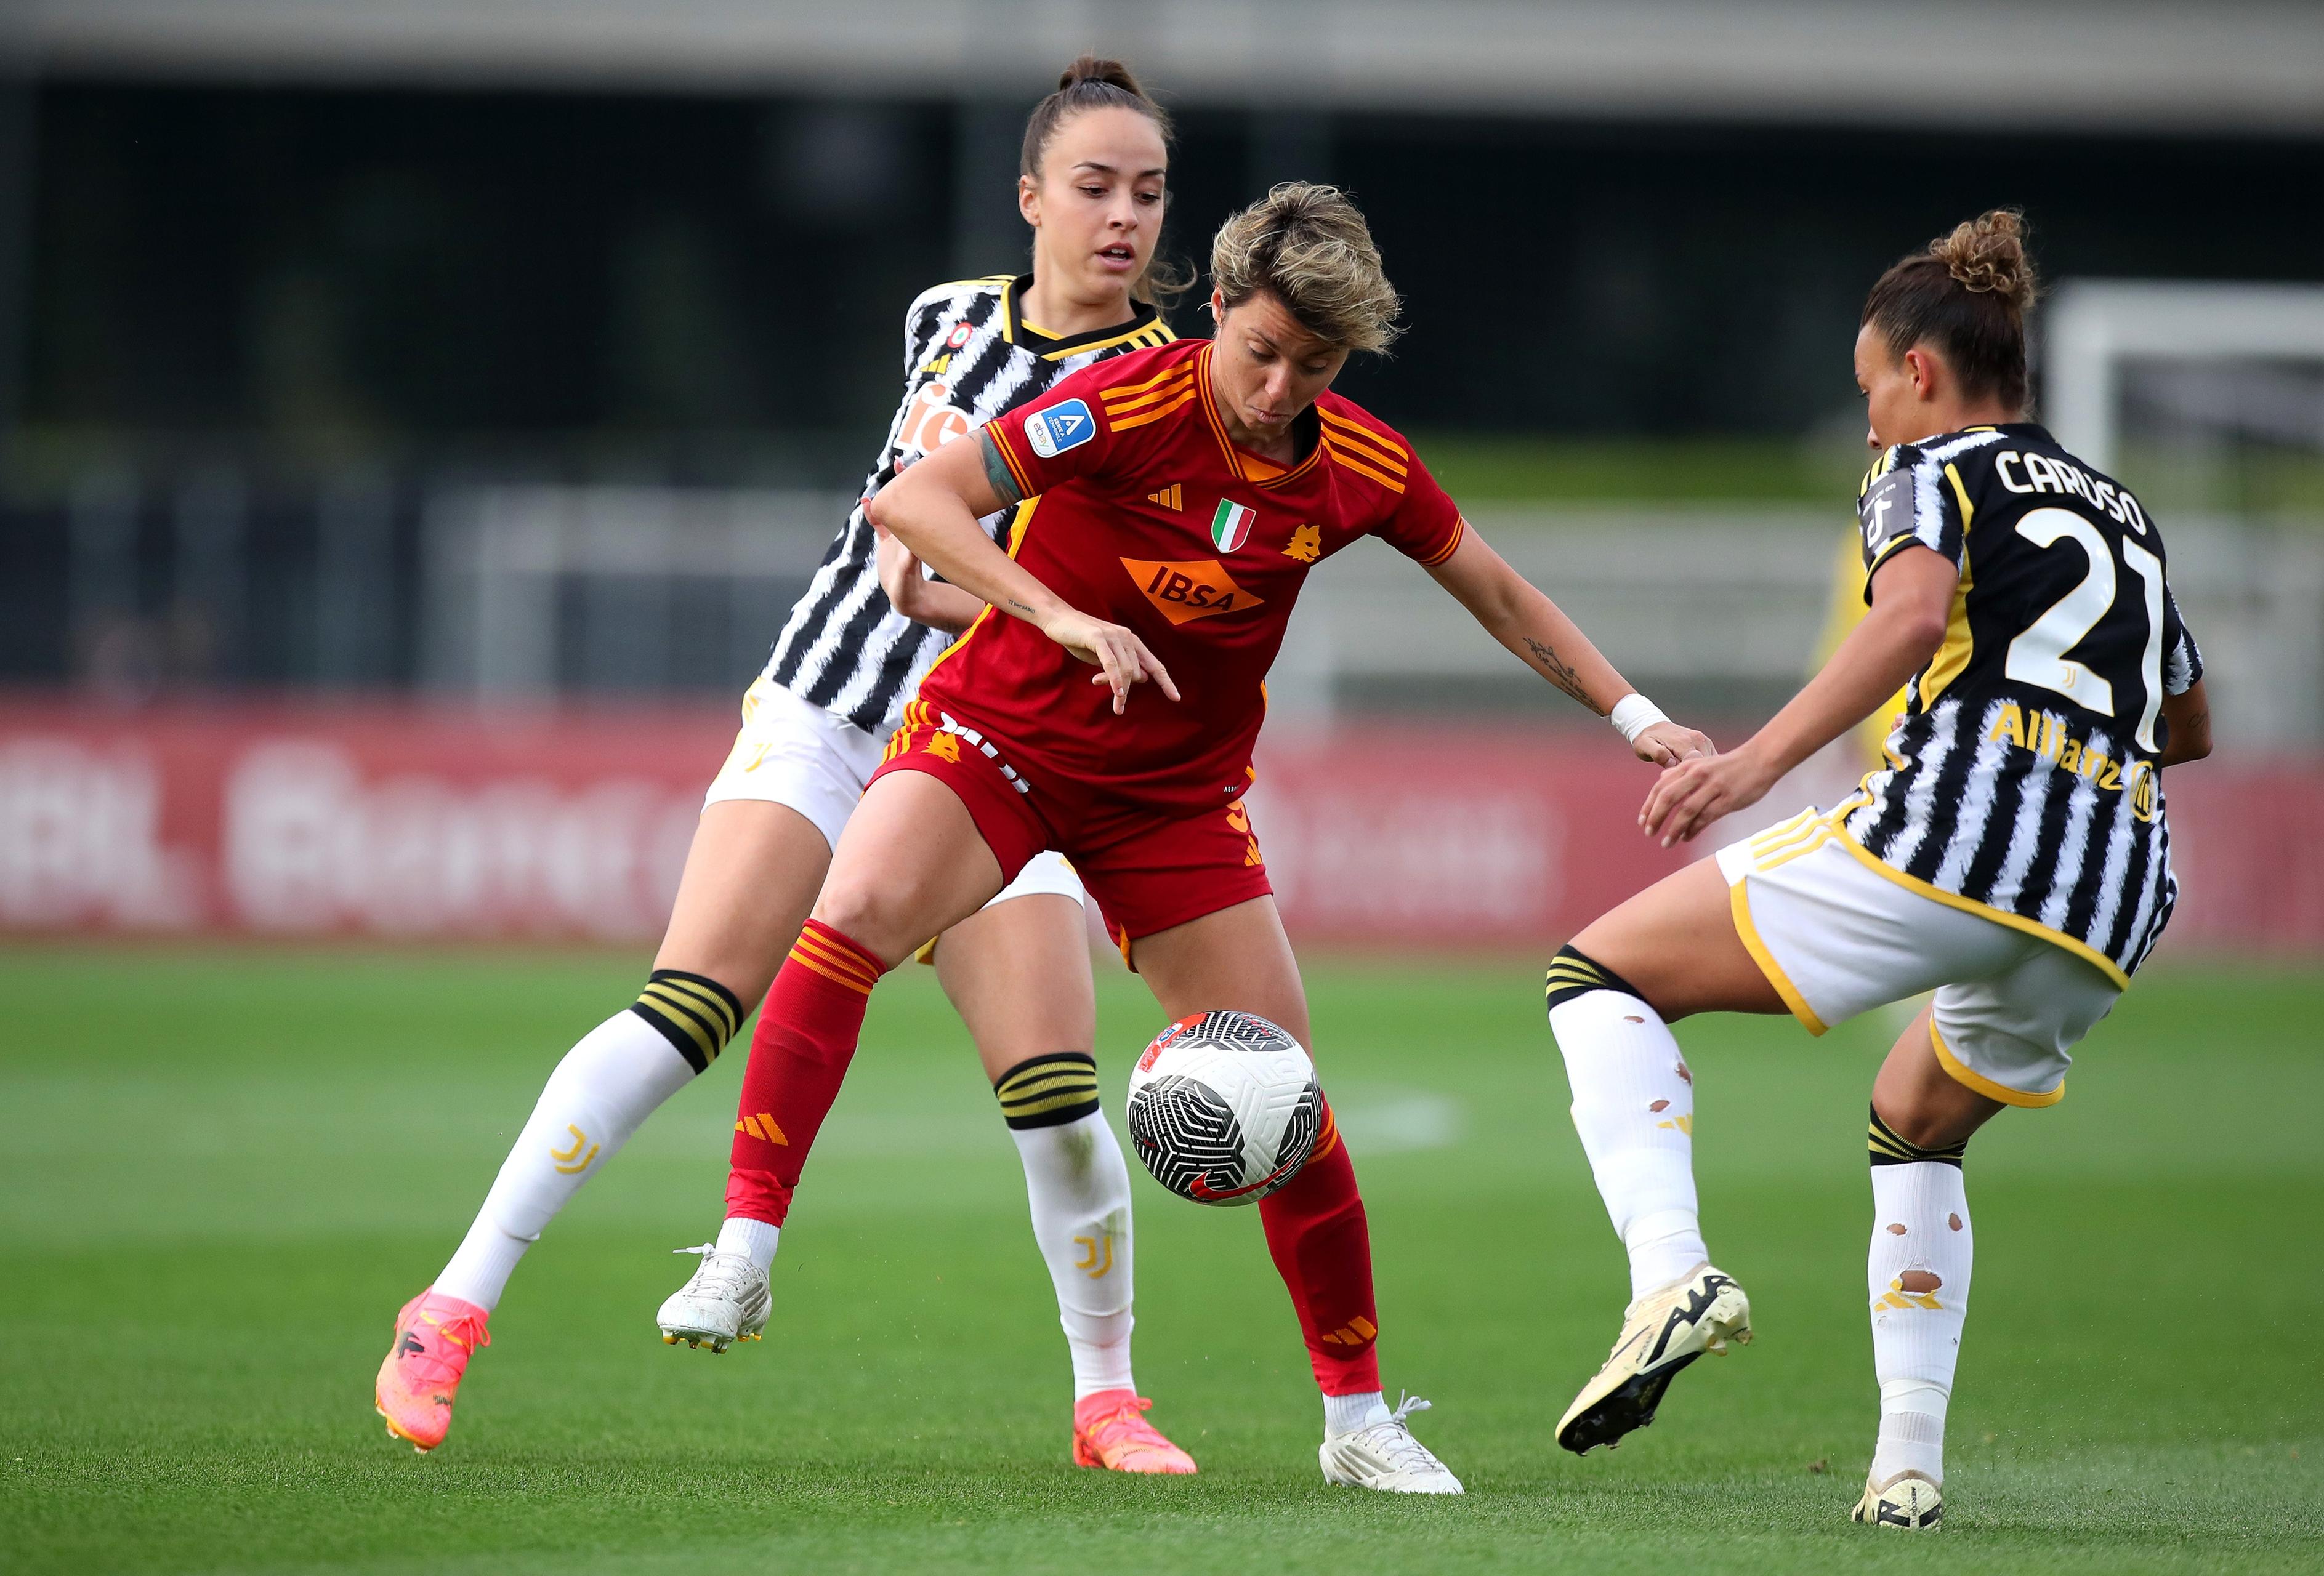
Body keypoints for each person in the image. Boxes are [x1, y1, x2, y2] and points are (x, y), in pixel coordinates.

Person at [664, 181, 1712, 1495]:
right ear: (1215, 309)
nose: (1278, 386)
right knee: (857, 907)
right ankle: (745, 1251)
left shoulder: (1362, 465)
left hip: (1172, 799)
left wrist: (1636, 717)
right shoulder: (1122, 402)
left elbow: (1495, 589)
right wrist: (1056, 616)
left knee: (1289, 1097)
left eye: (1314, 364)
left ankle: (1358, 1419)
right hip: (1002, 740)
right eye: (1261, 349)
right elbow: (918, 505)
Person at [376, 57, 1199, 1474]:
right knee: (685, 1003)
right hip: (831, 703)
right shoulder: (942, 316)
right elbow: (900, 552)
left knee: (1055, 1089)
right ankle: (450, 1305)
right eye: (1095, 186)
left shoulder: (1162, 388)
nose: (1124, 216)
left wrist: (979, 587)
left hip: (1006, 748)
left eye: (1149, 192)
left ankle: (1106, 1396)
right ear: (1031, 199)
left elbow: (966, 568)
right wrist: (961, 574)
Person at [1538, 211, 2211, 1529]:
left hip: (1953, 835)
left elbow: (1905, 614)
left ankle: (1669, 1275)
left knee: (1596, 973)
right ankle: (1907, 1465)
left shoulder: (1930, 467)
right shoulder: (2123, 513)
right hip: (2116, 893)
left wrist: (1753, 766)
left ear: (1918, 370)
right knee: (1913, 1119)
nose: (1866, 427)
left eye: (1866, 392)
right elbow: (2190, 725)